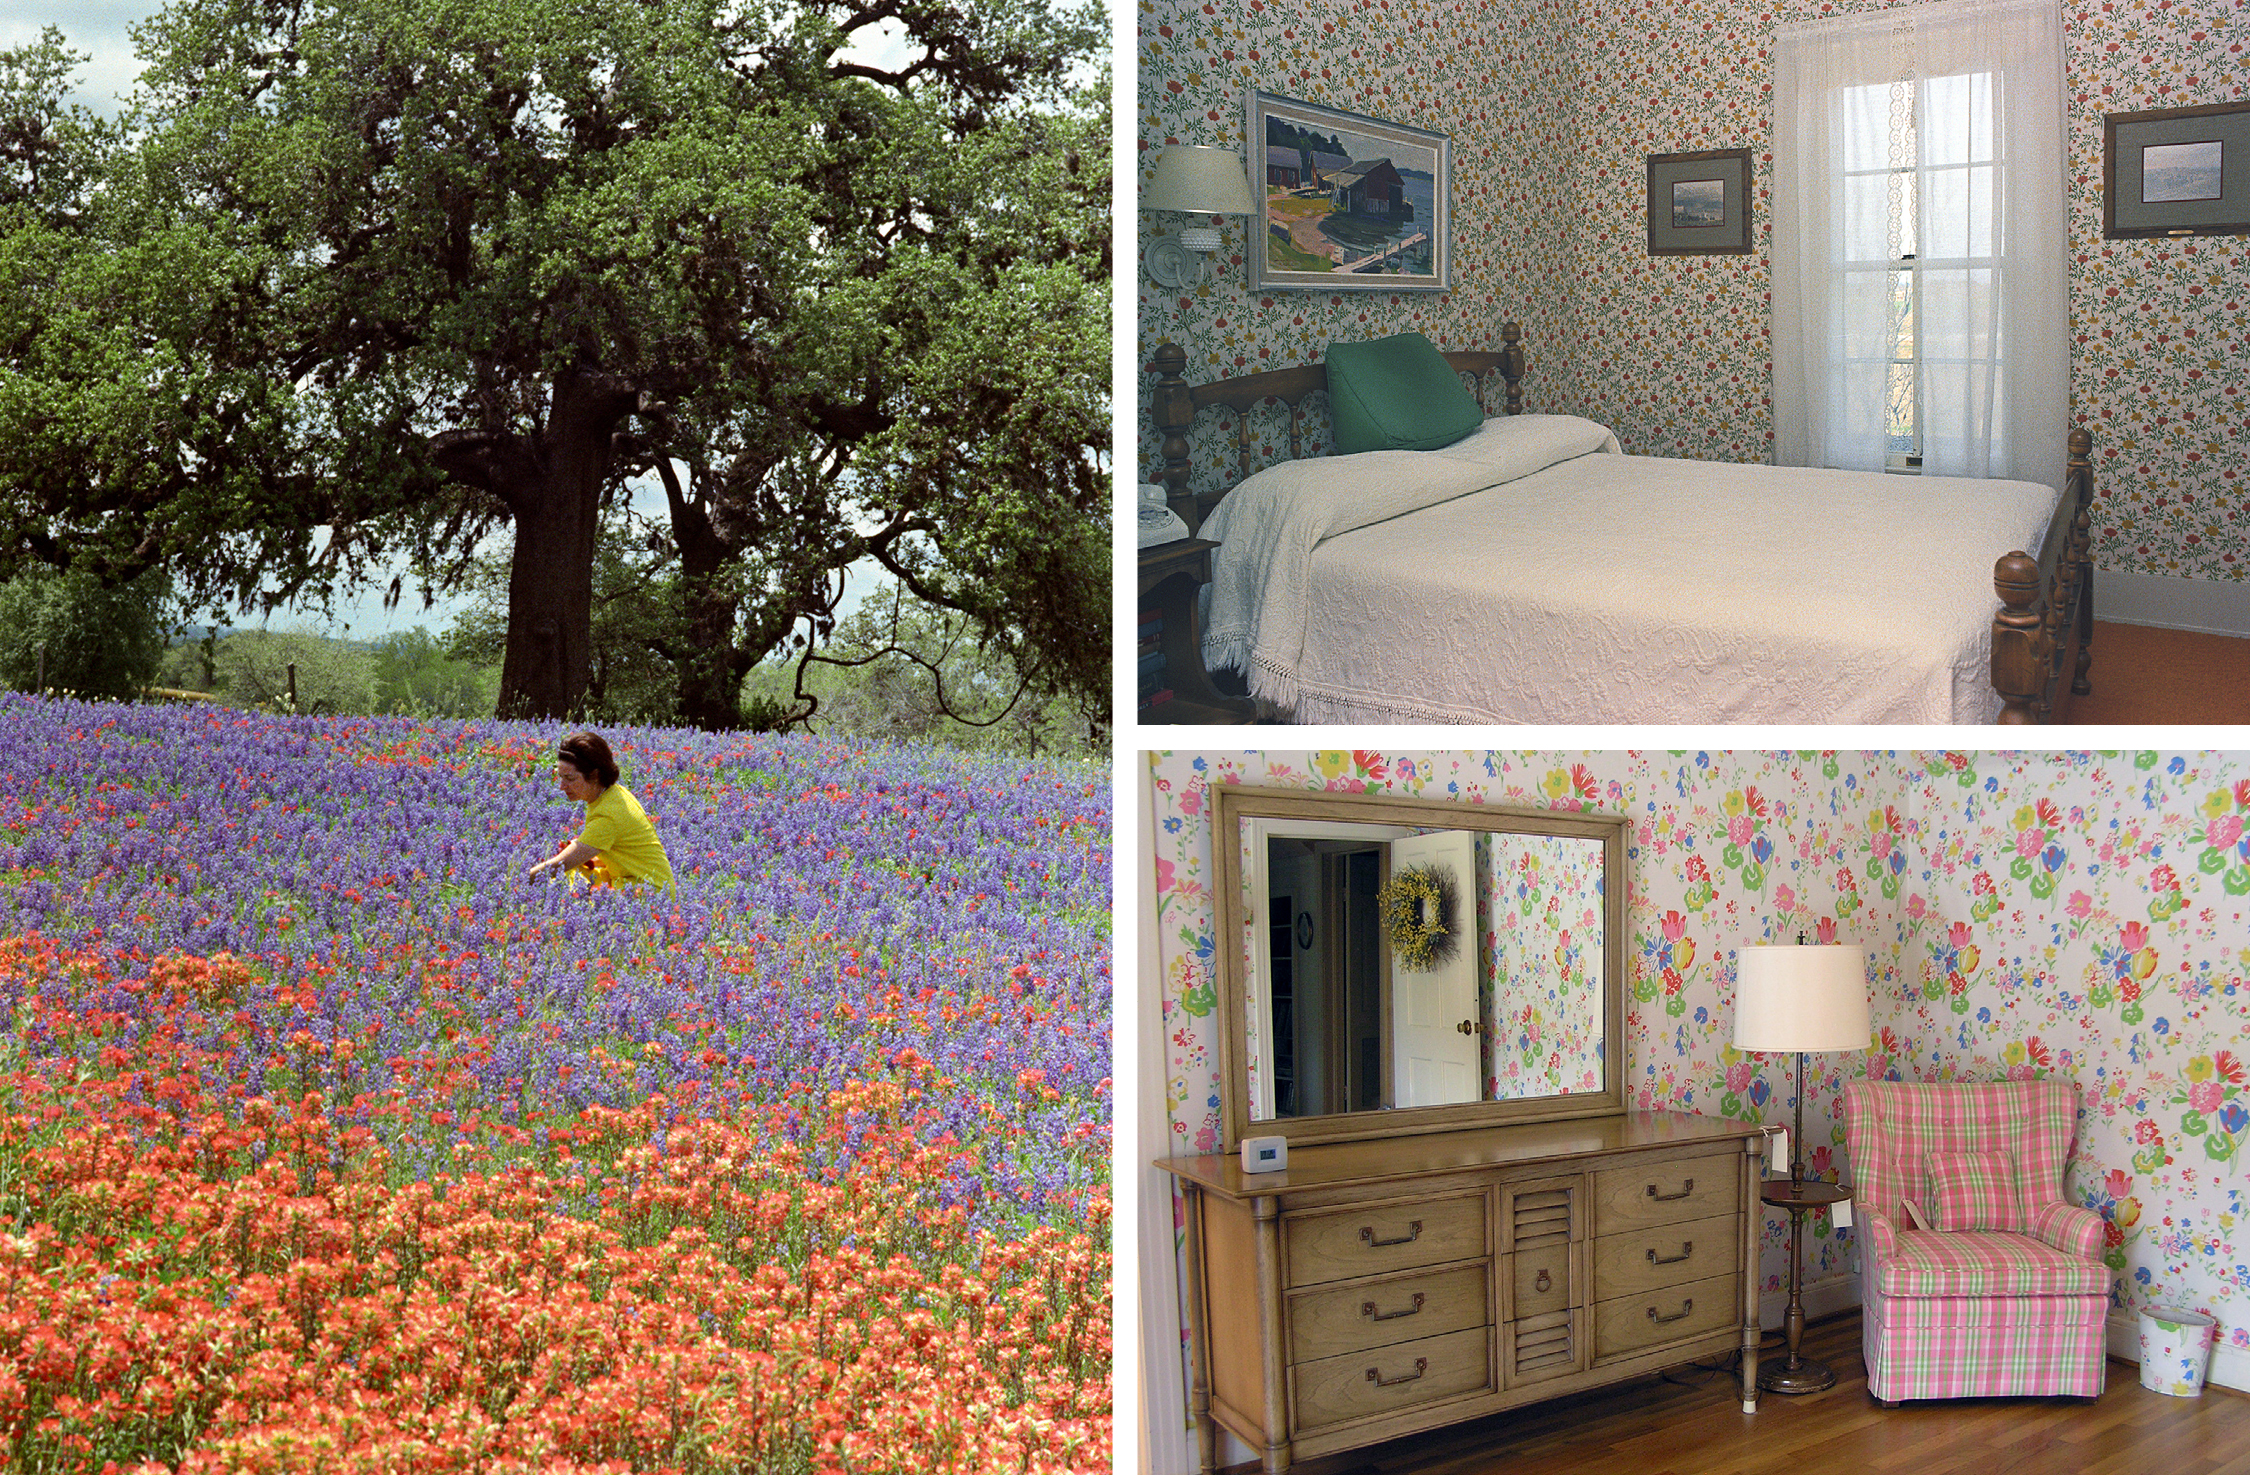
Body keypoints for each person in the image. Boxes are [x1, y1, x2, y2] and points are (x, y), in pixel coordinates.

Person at [526, 731, 675, 891]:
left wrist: (518, 879)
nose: (562, 786)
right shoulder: (613, 792)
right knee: (577, 873)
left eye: (570, 779)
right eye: (560, 777)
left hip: (646, 895)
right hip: (639, 881)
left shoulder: (608, 816)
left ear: (595, 775)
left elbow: (560, 865)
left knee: (567, 885)